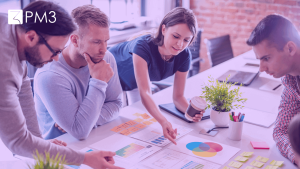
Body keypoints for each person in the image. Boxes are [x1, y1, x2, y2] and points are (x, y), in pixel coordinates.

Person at [0, 1, 123, 169]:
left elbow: (23, 89)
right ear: (31, 37)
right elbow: (17, 141)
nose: (57, 58)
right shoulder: (5, 69)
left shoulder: (18, 20)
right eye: (55, 51)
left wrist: (38, 141)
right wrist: (84, 158)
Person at [108, 7, 202, 145]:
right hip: (110, 76)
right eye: (176, 36)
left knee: (137, 123)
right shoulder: (143, 46)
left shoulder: (184, 55)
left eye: (186, 40)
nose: (180, 44)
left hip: (135, 82)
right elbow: (145, 92)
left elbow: (178, 97)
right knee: (109, 123)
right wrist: (163, 121)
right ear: (163, 29)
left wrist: (190, 112)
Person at [34, 5, 122, 140]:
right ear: (74, 40)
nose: (104, 49)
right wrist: (99, 82)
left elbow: (116, 104)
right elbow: (80, 131)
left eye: (106, 41)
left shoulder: (106, 58)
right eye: (97, 42)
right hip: (60, 148)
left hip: (95, 136)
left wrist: (86, 120)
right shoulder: (50, 76)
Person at [246, 14, 300, 166]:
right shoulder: (291, 79)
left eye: (267, 58)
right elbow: (281, 131)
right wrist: (297, 157)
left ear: (290, 48)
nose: (261, 69)